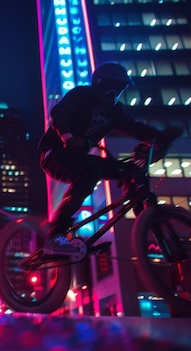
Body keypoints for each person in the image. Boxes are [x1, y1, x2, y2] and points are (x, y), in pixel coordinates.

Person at [38, 62, 181, 256]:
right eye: (109, 88)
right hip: (54, 154)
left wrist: (161, 137)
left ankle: (146, 219)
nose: (113, 94)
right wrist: (67, 137)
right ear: (98, 84)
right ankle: (55, 235)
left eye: (119, 90)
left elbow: (134, 128)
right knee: (92, 171)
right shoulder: (82, 95)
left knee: (132, 172)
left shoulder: (114, 111)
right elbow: (59, 112)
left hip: (80, 159)